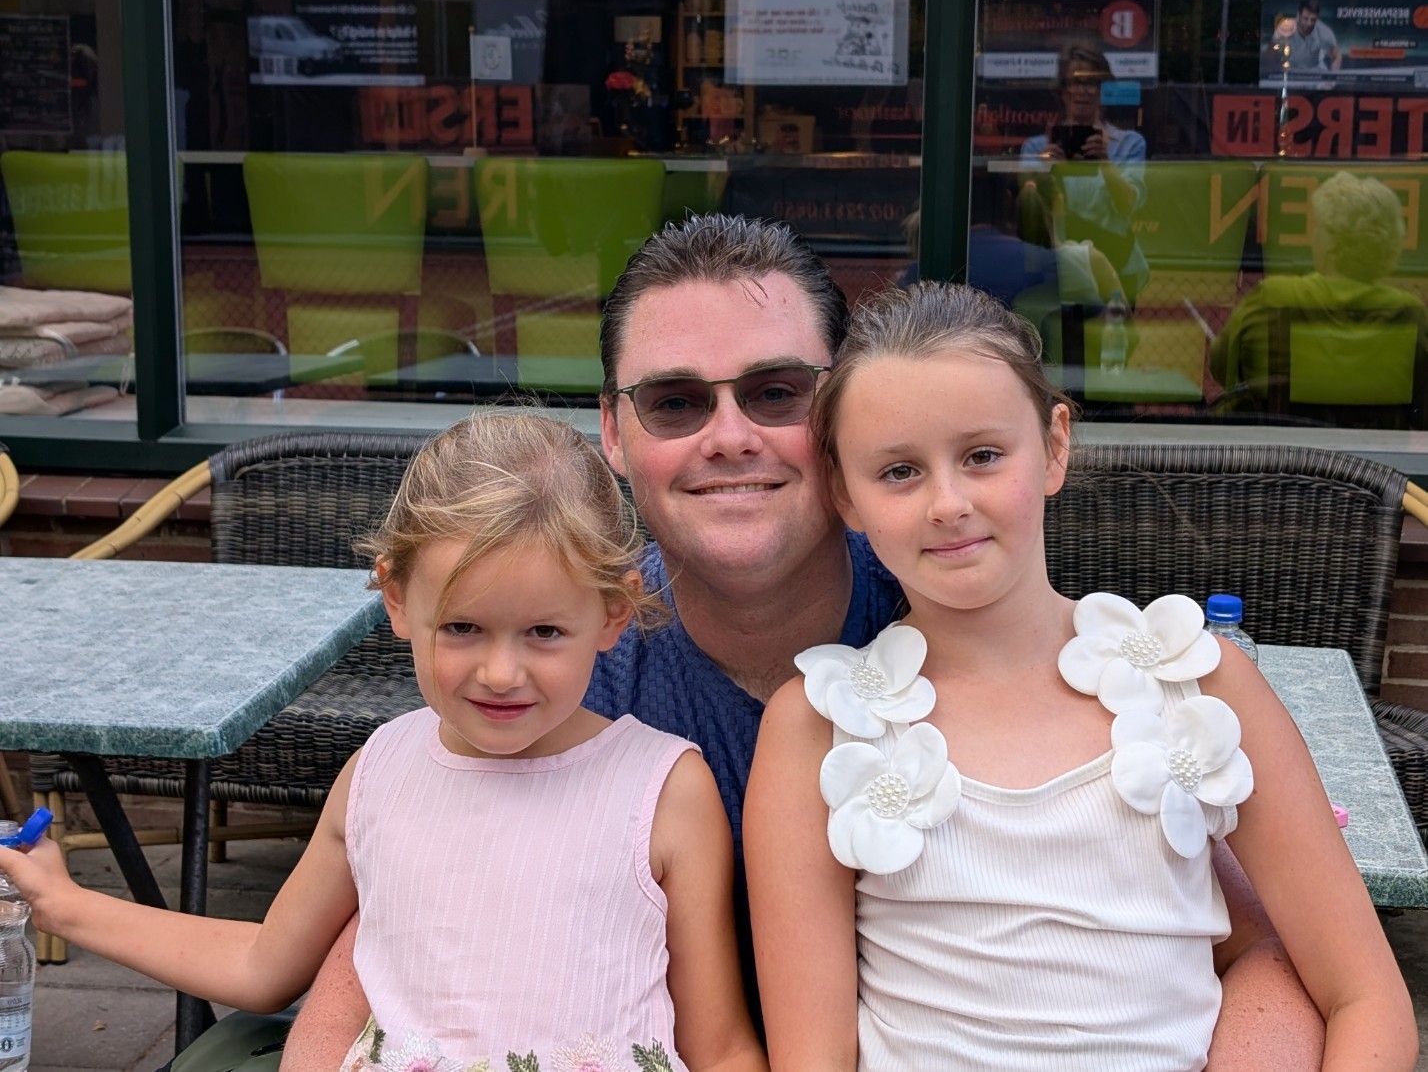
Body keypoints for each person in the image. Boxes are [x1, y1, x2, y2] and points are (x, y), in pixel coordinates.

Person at [189, 216, 1324, 1068]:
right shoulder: (556, 655)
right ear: (614, 432)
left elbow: (1253, 944)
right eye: (675, 402)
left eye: (777, 391)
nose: (730, 435)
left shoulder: (967, 627)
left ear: (839, 426)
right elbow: (405, 920)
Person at [744, 281, 1416, 1068]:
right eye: (899, 471)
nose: (947, 502)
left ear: (1054, 445)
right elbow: (812, 1056)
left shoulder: (1201, 685)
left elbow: (1364, 995)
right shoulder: (817, 727)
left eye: (982, 455)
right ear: (844, 493)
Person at [0, 413, 766, 1072]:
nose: (502, 672)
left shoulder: (663, 789)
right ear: (396, 597)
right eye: (462, 627)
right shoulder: (380, 772)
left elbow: (721, 1044)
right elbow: (265, 964)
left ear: (613, 613)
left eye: (544, 631)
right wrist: (67, 904)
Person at [1210, 170, 1428, 427]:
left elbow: (1222, 366)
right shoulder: (1410, 313)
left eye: (1319, 228)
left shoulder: (1273, 297)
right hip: (1377, 452)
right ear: (1390, 245)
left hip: (1282, 449)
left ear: (1331, 240)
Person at [1021, 44, 1148, 303]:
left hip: (1117, 264)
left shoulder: (1129, 143)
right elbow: (1026, 208)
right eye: (1074, 82)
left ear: (1102, 89)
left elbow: (1129, 206)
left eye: (1091, 83)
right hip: (1059, 267)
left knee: (1116, 330)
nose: (1082, 91)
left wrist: (1105, 163)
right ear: (1062, 90)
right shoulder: (1036, 147)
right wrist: (1045, 169)